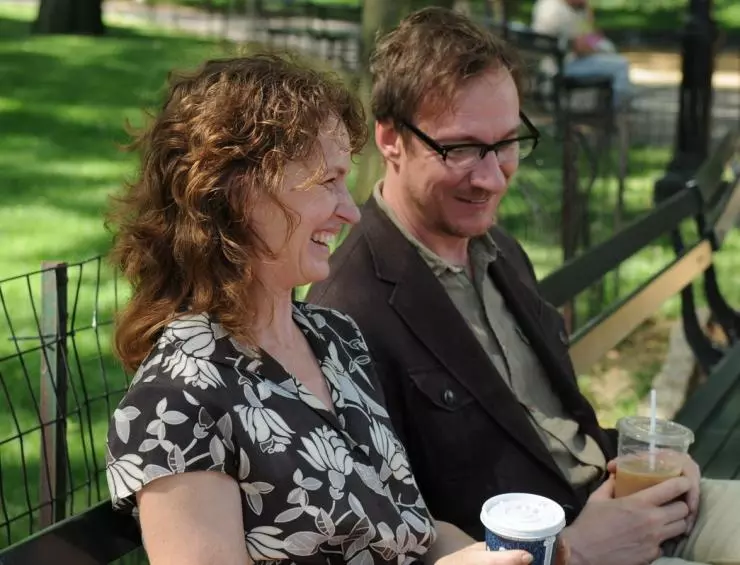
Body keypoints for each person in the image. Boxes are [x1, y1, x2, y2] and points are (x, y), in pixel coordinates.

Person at [306, 7, 740, 565]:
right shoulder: (348, 309)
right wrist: (572, 550)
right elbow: (390, 528)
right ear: (390, 138)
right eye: (461, 148)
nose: (492, 178)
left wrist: (651, 462)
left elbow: (550, 430)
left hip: (621, 500)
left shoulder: (498, 249)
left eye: (507, 143)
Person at [103, 53, 549, 565]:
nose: (351, 211)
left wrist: (493, 556)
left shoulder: (334, 338)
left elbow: (414, 533)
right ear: (239, 191)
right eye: (327, 182)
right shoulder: (175, 403)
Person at [531, 0, 634, 108]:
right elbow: (581, 48)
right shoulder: (558, 11)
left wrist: (588, 16)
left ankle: (608, 103)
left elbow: (591, 36)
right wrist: (595, 49)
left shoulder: (552, 5)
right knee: (621, 64)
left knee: (608, 47)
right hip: (561, 65)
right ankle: (618, 107)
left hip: (559, 60)